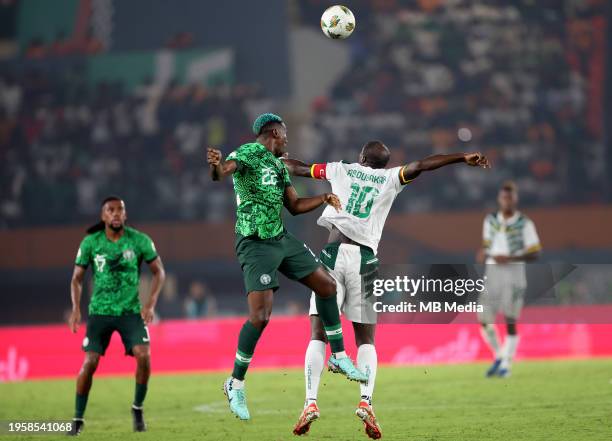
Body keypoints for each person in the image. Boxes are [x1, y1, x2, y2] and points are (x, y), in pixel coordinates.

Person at [283, 142, 490, 439]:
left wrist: (271, 160)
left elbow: (299, 167)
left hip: (331, 255)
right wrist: (461, 156)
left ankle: (310, 402)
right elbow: (422, 164)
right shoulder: (391, 178)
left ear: (362, 157)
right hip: (365, 260)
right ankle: (366, 401)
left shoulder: (341, 170)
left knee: (318, 332)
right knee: (366, 339)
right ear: (383, 163)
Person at [206, 113, 368, 422]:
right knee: (260, 316)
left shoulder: (280, 166)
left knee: (327, 285)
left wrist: (322, 198)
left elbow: (293, 206)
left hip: (280, 238)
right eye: (284, 135)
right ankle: (235, 383)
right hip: (255, 243)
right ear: (272, 134)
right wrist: (215, 165)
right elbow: (222, 173)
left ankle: (339, 356)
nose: (287, 140)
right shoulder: (248, 152)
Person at [67, 196, 165, 435]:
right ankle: (78, 419)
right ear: (103, 216)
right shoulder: (91, 242)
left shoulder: (140, 240)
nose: (116, 213)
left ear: (125, 214)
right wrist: (76, 308)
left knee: (144, 356)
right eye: (110, 210)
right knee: (89, 363)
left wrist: (150, 304)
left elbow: (159, 272)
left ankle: (137, 408)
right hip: (99, 312)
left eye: (120, 209)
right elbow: (76, 279)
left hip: (130, 311)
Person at [477, 181, 541, 378]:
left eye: (510, 197)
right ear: (499, 199)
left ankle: (506, 365)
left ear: (515, 199)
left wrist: (510, 258)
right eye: (504, 197)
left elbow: (534, 253)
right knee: (484, 319)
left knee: (510, 320)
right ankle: (499, 355)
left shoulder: (525, 223)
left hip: (514, 274)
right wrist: (484, 253)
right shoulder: (490, 220)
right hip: (493, 272)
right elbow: (487, 246)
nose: (507, 200)